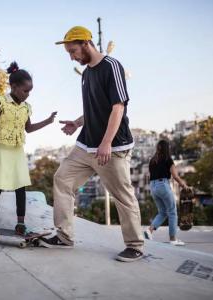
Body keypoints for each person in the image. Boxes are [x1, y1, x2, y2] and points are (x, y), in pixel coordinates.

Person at [40, 26, 144, 262]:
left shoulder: (111, 66)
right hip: (86, 145)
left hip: (113, 147)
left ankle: (135, 244)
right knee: (62, 179)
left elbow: (118, 107)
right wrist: (77, 123)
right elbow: (95, 108)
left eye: (73, 51)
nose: (72, 57)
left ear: (86, 44)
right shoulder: (86, 74)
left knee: (122, 195)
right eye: (69, 53)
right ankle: (64, 235)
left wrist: (106, 143)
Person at [0, 61, 57, 235]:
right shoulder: (1, 102)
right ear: (14, 87)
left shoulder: (26, 108)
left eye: (30, 91)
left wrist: (47, 121)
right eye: (25, 91)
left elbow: (28, 129)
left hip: (16, 149)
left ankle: (20, 223)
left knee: (20, 185)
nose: (28, 95)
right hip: (0, 148)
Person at [144, 139, 190, 246]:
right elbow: (175, 176)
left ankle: (149, 230)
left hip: (153, 187)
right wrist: (184, 185)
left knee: (163, 212)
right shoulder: (168, 159)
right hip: (163, 185)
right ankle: (173, 239)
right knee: (172, 212)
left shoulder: (152, 161)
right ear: (167, 148)